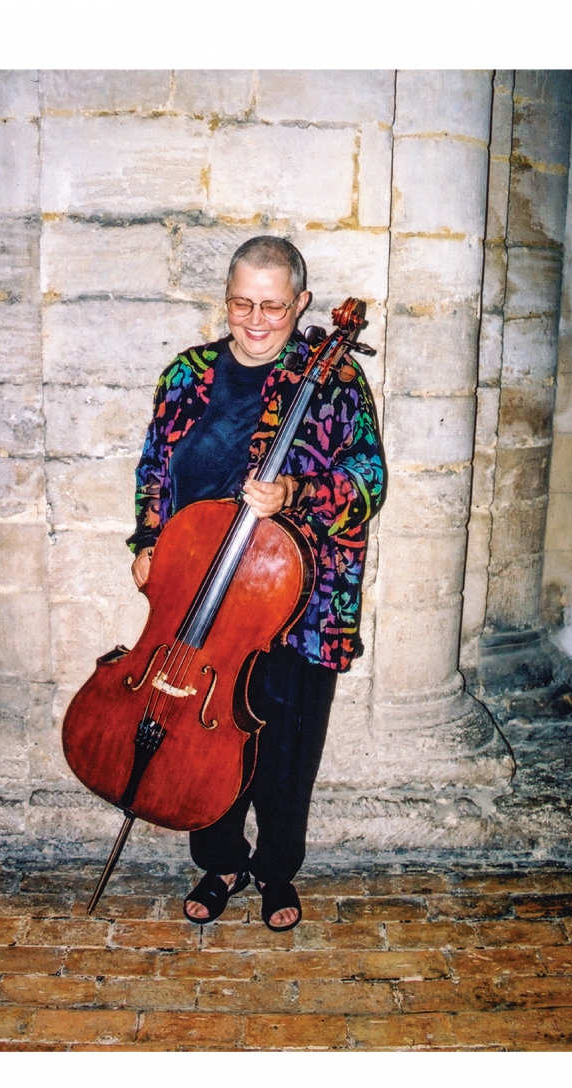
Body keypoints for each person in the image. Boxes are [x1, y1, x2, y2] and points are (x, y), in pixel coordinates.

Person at [128, 236, 385, 932]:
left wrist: (297, 491)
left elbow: (369, 481)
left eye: (274, 304)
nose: (257, 318)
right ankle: (218, 861)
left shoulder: (333, 381)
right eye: (243, 301)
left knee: (285, 748)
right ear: (227, 297)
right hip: (199, 598)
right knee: (203, 741)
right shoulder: (186, 375)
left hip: (295, 602)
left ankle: (275, 870)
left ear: (300, 303)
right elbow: (156, 466)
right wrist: (149, 542)